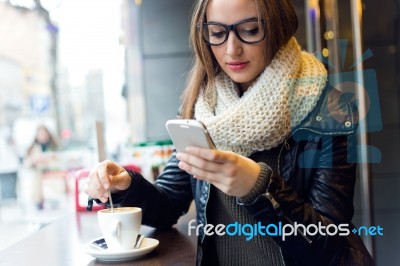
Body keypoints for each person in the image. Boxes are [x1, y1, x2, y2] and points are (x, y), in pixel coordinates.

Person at [85, 0, 375, 265]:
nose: (231, 49)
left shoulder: (330, 111)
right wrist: (126, 185)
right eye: (217, 32)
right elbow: (168, 205)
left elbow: (328, 242)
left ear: (278, 27)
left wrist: (258, 187)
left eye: (250, 30)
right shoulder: (204, 106)